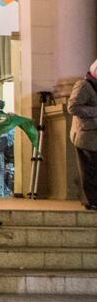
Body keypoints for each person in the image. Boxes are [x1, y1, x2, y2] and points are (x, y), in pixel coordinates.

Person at [68, 60, 97, 210]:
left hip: (92, 134)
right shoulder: (84, 85)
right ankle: (91, 201)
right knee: (89, 169)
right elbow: (72, 107)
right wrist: (95, 111)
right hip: (86, 136)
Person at [0, 100, 15, 197]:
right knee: (6, 168)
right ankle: (5, 189)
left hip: (0, 144)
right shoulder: (7, 117)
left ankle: (0, 190)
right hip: (8, 145)